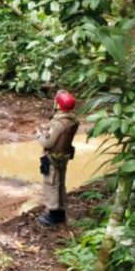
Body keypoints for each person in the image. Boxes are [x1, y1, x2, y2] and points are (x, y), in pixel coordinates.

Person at [36, 90, 79, 226]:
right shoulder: (73, 121)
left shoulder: (59, 123)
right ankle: (60, 212)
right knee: (60, 183)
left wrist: (39, 134)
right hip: (64, 156)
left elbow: (47, 143)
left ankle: (53, 215)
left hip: (53, 156)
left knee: (51, 184)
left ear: (59, 105)